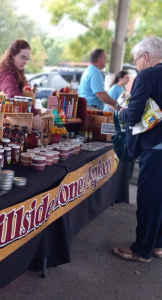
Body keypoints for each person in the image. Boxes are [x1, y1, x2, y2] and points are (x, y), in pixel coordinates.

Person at [112, 36, 162, 262]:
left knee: (149, 199)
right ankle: (157, 245)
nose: (137, 65)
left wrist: (121, 111)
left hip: (156, 147)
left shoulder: (148, 75)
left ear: (145, 56)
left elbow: (133, 114)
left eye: (136, 61)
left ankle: (141, 250)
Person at [0, 39, 42, 129]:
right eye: (22, 57)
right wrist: (35, 114)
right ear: (12, 55)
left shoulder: (14, 71)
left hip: (4, 121)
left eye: (27, 59)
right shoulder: (7, 74)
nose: (25, 61)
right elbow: (13, 94)